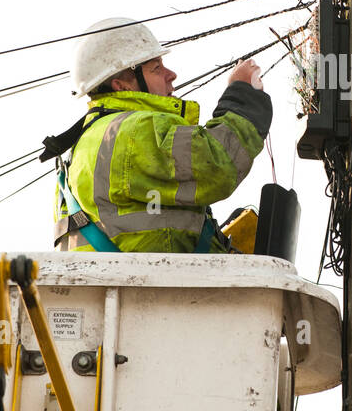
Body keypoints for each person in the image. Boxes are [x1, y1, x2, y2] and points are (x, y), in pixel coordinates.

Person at [45, 17, 271, 253]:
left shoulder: (87, 143)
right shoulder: (134, 131)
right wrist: (242, 96)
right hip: (152, 287)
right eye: (156, 68)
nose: (171, 74)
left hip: (123, 283)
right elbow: (217, 164)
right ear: (122, 86)